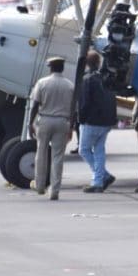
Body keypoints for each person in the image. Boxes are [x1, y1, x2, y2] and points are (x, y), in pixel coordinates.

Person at [29, 56, 74, 200]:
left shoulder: (42, 83)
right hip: (62, 121)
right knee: (58, 156)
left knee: (41, 152)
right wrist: (71, 127)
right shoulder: (69, 85)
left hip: (45, 120)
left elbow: (35, 104)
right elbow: (74, 110)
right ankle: (55, 190)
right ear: (63, 68)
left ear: (50, 68)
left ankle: (40, 185)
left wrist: (30, 123)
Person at [78, 50, 118, 193]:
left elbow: (85, 102)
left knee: (84, 150)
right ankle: (99, 181)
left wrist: (81, 118)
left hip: (92, 121)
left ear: (87, 63)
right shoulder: (106, 78)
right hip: (106, 121)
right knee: (99, 150)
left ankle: (101, 177)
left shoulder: (88, 79)